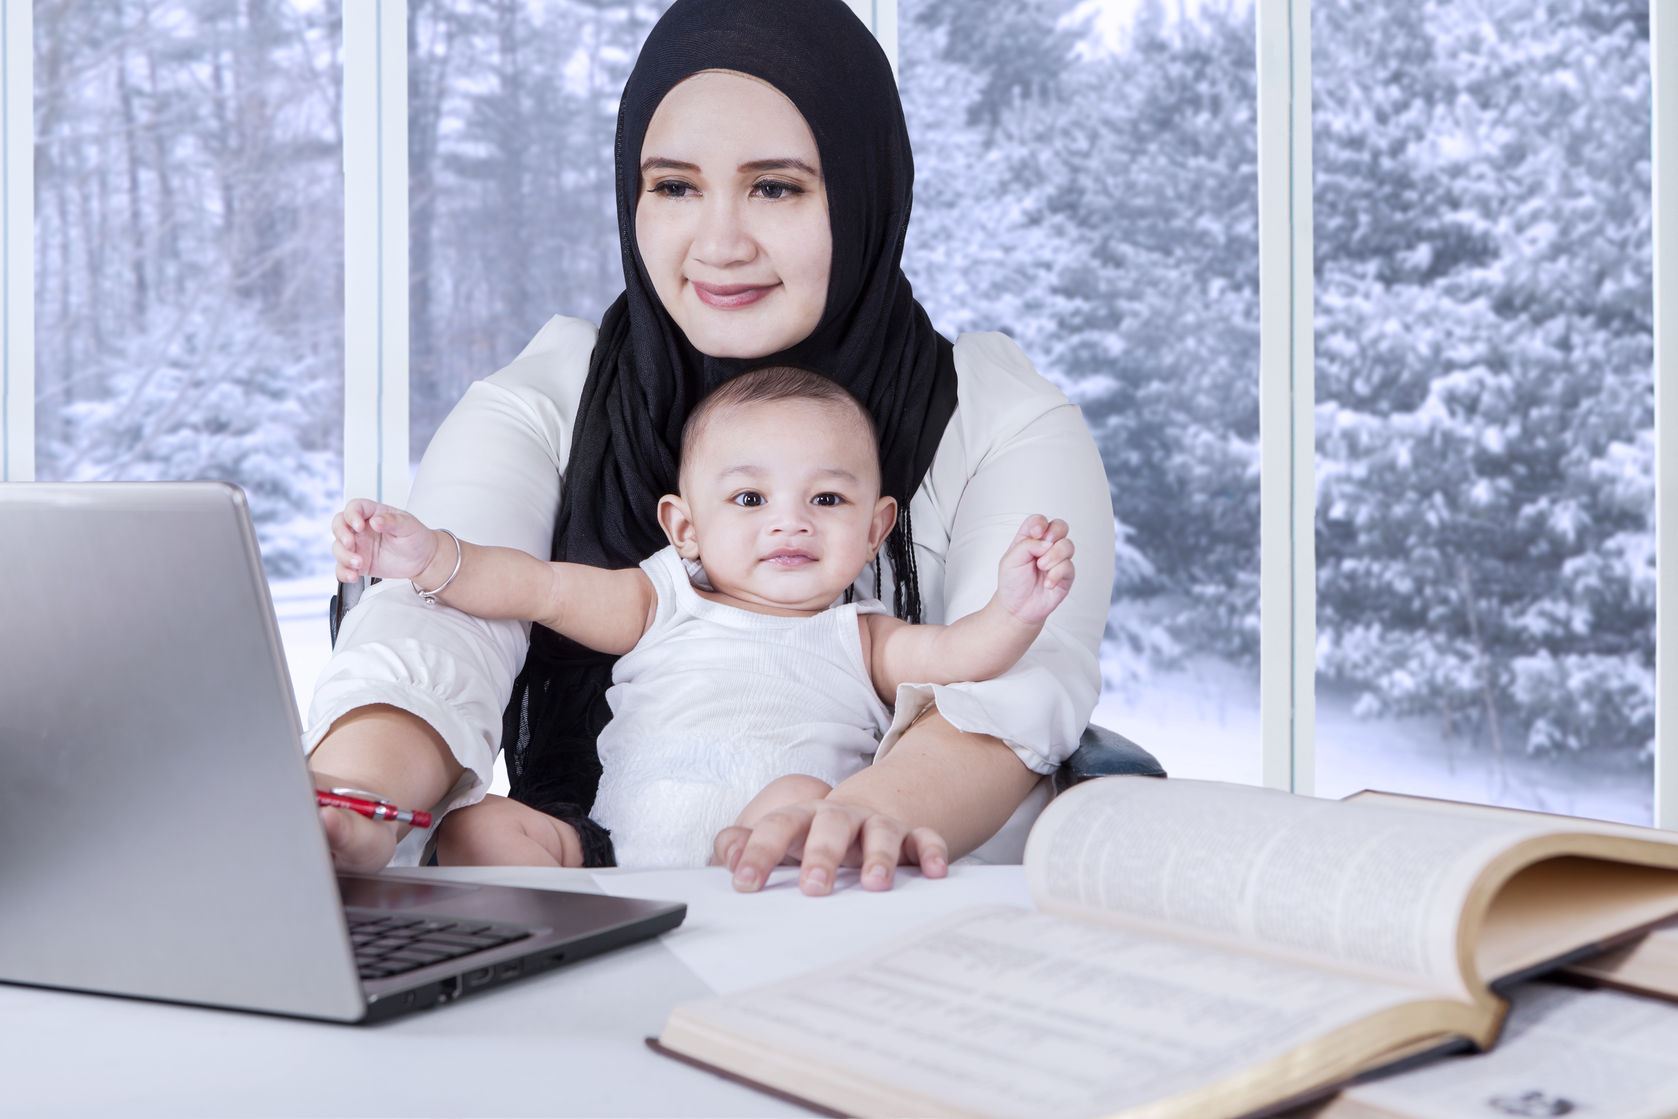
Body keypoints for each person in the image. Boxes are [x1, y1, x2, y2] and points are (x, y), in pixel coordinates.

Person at [306, 0, 1115, 896]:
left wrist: (851, 816)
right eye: (675, 186)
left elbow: (1008, 692)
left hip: (888, 927)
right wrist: (349, 803)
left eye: (777, 186)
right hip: (601, 916)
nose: (720, 245)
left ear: (862, 187)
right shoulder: (554, 396)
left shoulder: (998, 417)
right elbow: (437, 629)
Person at [330, 366, 1077, 868]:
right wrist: (430, 554)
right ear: (684, 527)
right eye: (750, 500)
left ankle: (752, 885)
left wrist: (1015, 608)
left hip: (763, 855)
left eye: (827, 500)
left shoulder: (864, 636)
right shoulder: (658, 600)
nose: (791, 524)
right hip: (612, 855)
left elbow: (962, 655)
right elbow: (537, 588)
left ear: (878, 527)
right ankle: (545, 953)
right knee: (480, 827)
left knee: (800, 798)